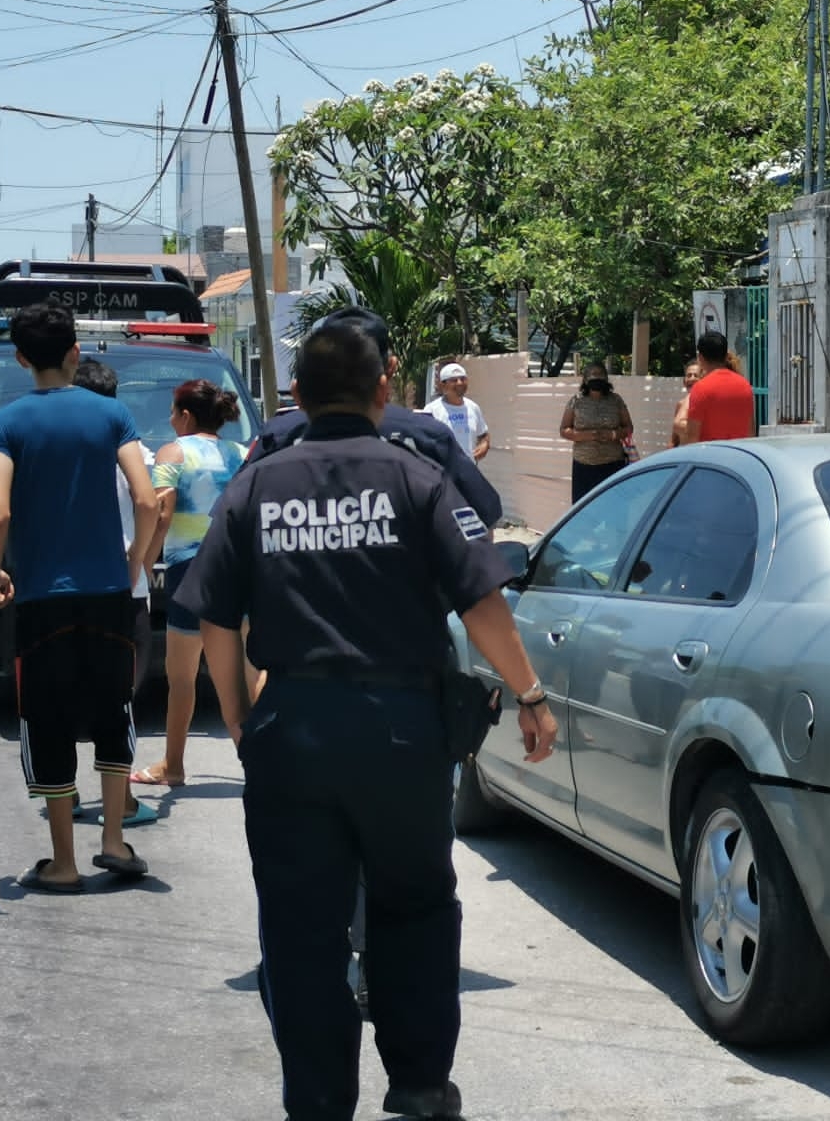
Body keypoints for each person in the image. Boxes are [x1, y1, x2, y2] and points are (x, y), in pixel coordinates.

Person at [175, 318, 559, 1121]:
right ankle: (419, 1086)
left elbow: (214, 618)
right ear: (385, 387)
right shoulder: (418, 480)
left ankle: (318, 1103)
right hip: (401, 731)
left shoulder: (256, 484)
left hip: (294, 727)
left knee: (299, 926)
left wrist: (242, 719)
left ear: (298, 398)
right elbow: (482, 599)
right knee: (414, 906)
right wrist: (528, 693)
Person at [0, 302, 159, 893]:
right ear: (76, 351)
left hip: (41, 600)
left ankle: (62, 862)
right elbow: (146, 499)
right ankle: (113, 839)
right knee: (115, 711)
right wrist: (132, 562)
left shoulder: (6, 424)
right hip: (109, 592)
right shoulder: (112, 414)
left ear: (21, 358)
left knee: (47, 720)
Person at [250, 309, 502, 528]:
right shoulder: (429, 438)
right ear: (390, 368)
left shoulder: (277, 437)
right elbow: (483, 521)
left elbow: (230, 525)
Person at [129, 378, 248, 789]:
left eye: (172, 411)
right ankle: (263, 764)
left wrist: (143, 564)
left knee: (182, 678)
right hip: (238, 570)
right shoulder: (242, 453)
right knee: (246, 676)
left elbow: (162, 514)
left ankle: (173, 766)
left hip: (189, 570)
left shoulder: (172, 452)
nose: (169, 419)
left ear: (186, 415)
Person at [71, 359, 158, 828]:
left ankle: (64, 800)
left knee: (63, 694)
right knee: (121, 696)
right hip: (126, 590)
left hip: (64, 587)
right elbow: (152, 505)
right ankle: (120, 801)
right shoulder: (135, 452)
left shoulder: (56, 449)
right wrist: (137, 559)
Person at [559, 361, 634, 503]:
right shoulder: (576, 401)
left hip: (612, 465)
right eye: (593, 375)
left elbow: (629, 427)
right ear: (585, 380)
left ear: (606, 379)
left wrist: (612, 435)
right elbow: (563, 429)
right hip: (583, 467)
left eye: (600, 375)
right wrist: (584, 435)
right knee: (584, 511)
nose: (597, 378)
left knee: (614, 509)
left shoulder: (616, 400)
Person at [684, 330, 755, 443]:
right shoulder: (745, 386)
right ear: (726, 356)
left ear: (700, 358)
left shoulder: (701, 388)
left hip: (711, 458)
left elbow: (692, 437)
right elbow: (751, 432)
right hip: (739, 457)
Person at [422, 362, 489, 463]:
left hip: (469, 471)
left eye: (463, 379)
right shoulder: (432, 410)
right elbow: (423, 441)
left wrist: (485, 445)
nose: (459, 383)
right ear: (443, 385)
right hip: (442, 472)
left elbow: (483, 434)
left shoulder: (473, 407)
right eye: (454, 380)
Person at [671, 360, 704, 448]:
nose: (692, 378)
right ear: (684, 381)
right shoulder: (680, 404)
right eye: (689, 375)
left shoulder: (706, 404)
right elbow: (674, 439)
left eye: (696, 375)